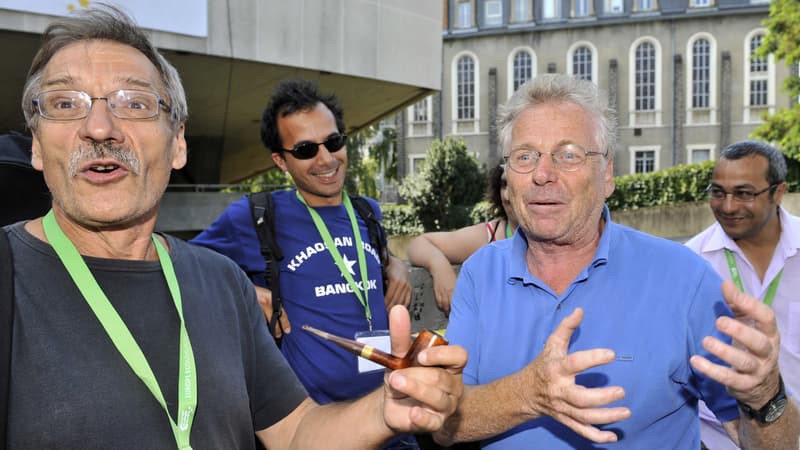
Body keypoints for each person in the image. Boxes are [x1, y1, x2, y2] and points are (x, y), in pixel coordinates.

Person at [3, 5, 466, 449]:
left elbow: (295, 432)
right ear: (37, 146)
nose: (99, 126)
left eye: (135, 102)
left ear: (178, 143)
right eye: (65, 103)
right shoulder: (11, 275)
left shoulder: (222, 284)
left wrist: (388, 408)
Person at [433, 74, 800, 449]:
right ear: (507, 179)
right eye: (525, 156)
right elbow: (444, 427)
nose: (543, 174)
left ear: (607, 174)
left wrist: (766, 397)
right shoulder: (481, 273)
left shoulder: (683, 278)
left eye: (568, 154)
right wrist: (526, 394)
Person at [190, 79, 416, 444]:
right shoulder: (257, 216)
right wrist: (245, 291)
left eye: (334, 142)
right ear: (280, 160)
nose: (326, 159)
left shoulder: (367, 212)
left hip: (392, 413)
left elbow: (370, 257)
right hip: (316, 428)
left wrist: (395, 263)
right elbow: (181, 262)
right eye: (306, 149)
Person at [685, 140, 800, 449]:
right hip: (718, 438)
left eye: (744, 193)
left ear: (778, 192)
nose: (728, 206)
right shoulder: (688, 264)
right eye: (718, 192)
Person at [407, 162, 518, 315]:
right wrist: (439, 266)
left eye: (515, 183)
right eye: (504, 184)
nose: (506, 195)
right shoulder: (490, 235)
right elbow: (418, 244)